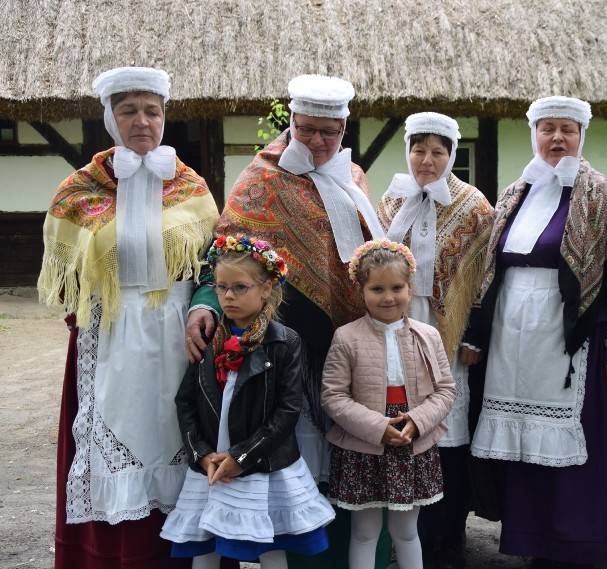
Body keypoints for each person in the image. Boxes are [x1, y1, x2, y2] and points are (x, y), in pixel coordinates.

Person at [183, 74, 389, 568]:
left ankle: (353, 556)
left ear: (345, 128)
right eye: (308, 129)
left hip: (350, 341)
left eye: (330, 131)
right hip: (278, 345)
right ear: (291, 122)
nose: (318, 141)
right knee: (292, 454)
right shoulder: (260, 178)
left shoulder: (353, 176)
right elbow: (224, 253)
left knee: (352, 451)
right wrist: (205, 303)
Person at [38, 66, 227, 568]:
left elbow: (216, 264)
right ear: (109, 118)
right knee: (117, 444)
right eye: (129, 111)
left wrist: (204, 304)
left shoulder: (193, 188)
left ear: (164, 117)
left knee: (181, 434)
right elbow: (65, 276)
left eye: (152, 111)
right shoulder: (80, 191)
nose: (142, 121)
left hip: (181, 338)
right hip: (113, 336)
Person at [464, 96, 607, 568]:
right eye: (547, 129)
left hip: (576, 340)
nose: (557, 138)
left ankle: (575, 545)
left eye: (568, 129)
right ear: (534, 134)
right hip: (513, 339)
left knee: (577, 446)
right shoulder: (513, 194)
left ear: (582, 135)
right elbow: (489, 273)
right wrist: (478, 337)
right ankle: (531, 539)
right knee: (523, 441)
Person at [161, 235, 335, 568]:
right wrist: (201, 455)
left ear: (267, 288)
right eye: (222, 287)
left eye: (240, 287)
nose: (228, 296)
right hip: (212, 465)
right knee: (206, 547)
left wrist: (242, 457)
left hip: (261, 466)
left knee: (269, 546)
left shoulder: (285, 343)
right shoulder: (210, 339)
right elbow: (186, 402)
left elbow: (287, 411)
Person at [377, 112, 494, 568]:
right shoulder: (390, 200)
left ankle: (449, 533)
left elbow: (487, 280)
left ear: (451, 156)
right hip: (397, 333)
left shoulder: (474, 206)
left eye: (438, 151)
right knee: (403, 428)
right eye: (418, 149)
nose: (427, 160)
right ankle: (408, 536)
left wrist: (475, 338)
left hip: (449, 336)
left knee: (448, 436)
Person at [321, 239, 456, 569]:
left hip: (413, 441)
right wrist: (378, 427)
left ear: (410, 288)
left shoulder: (429, 335)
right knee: (365, 532)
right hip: (365, 444)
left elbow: (445, 390)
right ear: (361, 291)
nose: (388, 297)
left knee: (407, 531)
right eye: (377, 288)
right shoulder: (346, 337)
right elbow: (333, 396)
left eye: (397, 287)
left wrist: (418, 421)